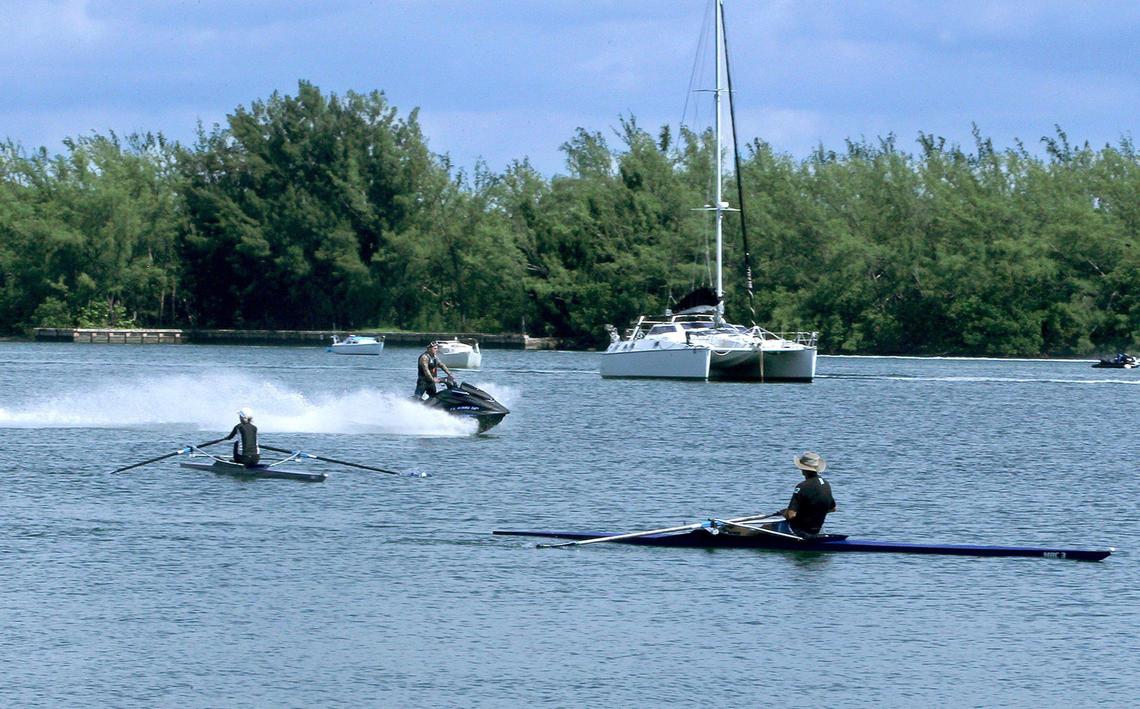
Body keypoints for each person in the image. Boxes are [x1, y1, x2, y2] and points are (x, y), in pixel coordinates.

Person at [770, 451, 836, 537]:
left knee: (765, 527)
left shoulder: (802, 486)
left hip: (799, 531)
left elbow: (791, 515)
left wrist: (784, 513)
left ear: (803, 469)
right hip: (816, 530)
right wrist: (812, 513)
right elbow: (832, 509)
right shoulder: (826, 484)